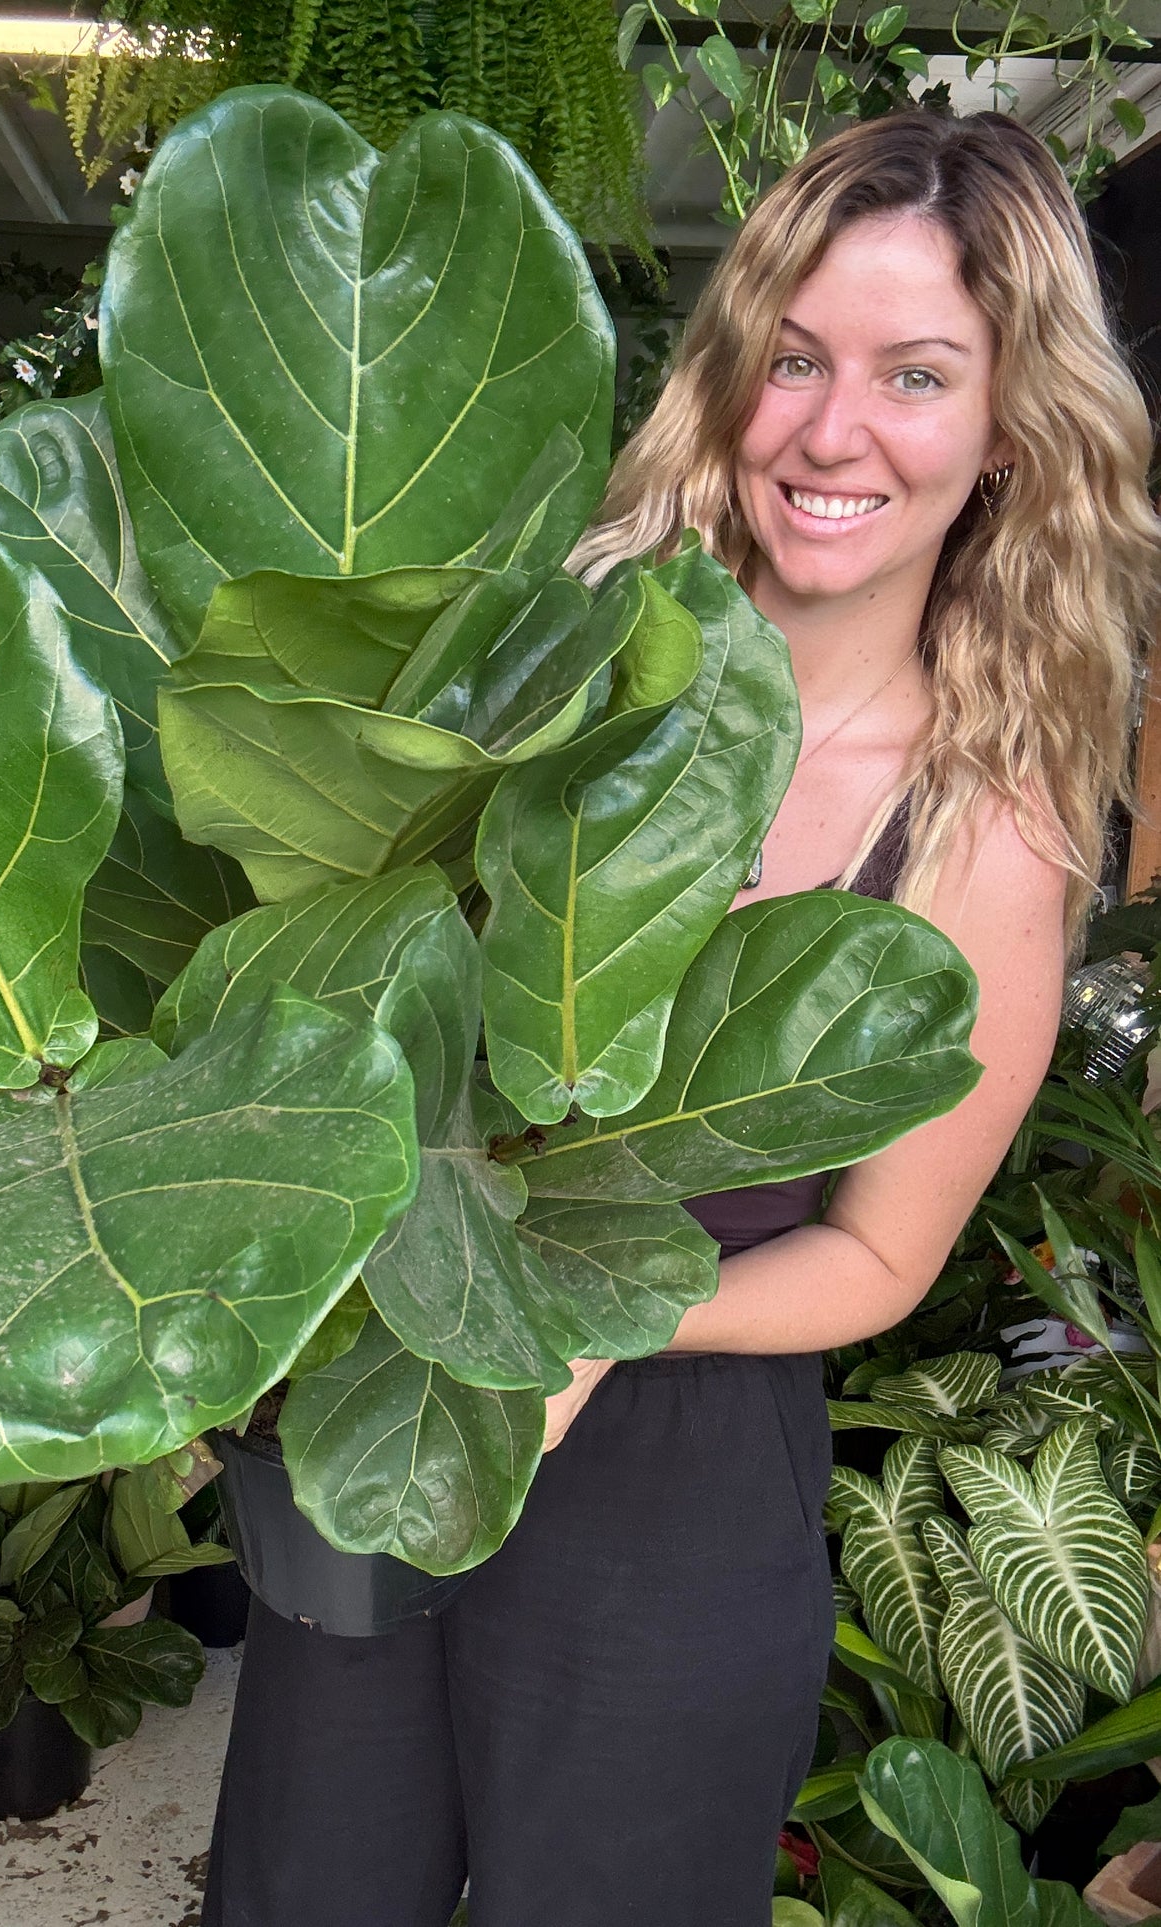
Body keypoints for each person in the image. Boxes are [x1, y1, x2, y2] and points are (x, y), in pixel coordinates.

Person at [200, 109, 1160, 1927]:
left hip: (671, 1482)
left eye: (913, 374)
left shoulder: (982, 829)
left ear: (1008, 430)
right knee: (304, 1890)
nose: (830, 429)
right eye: (792, 359)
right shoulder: (543, 665)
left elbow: (877, 1259)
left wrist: (584, 1326)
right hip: (386, 1413)